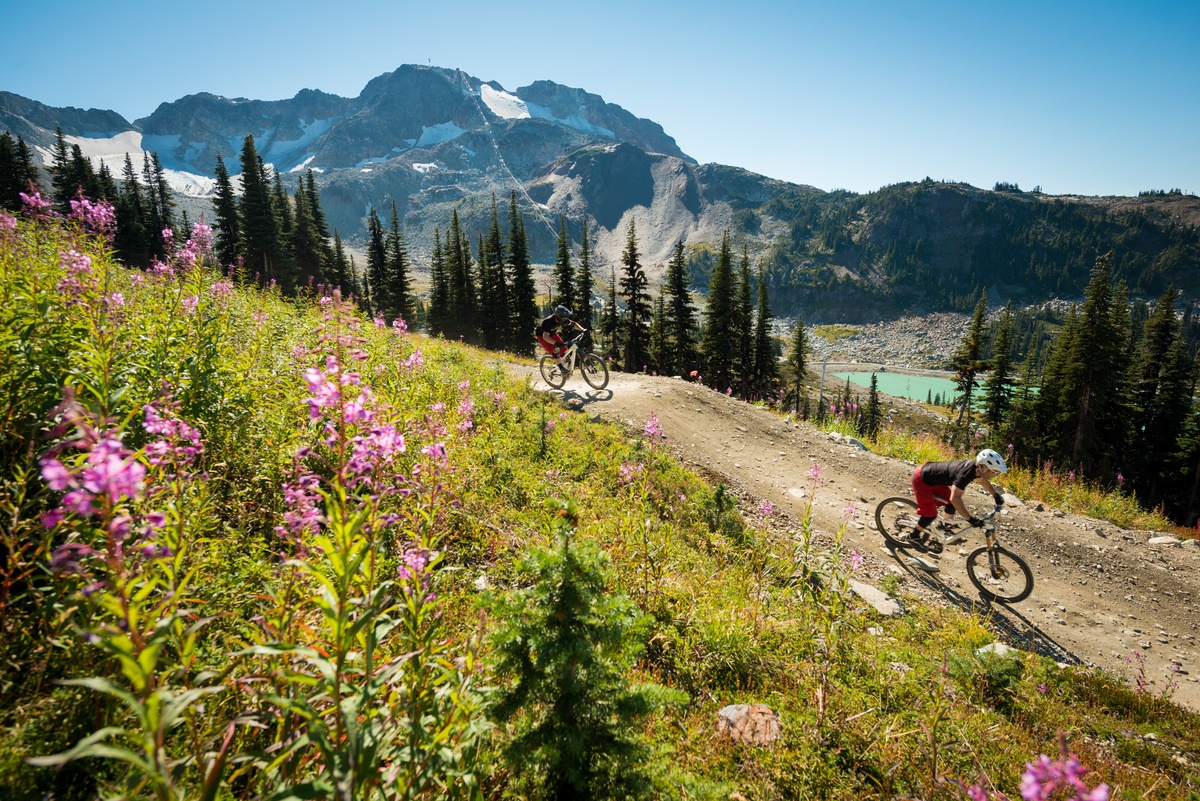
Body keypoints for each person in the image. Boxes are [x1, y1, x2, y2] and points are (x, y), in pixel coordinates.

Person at [904, 448, 1007, 545]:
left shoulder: (976, 469)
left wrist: (995, 495)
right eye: (994, 471)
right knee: (930, 514)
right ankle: (913, 536)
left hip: (934, 479)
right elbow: (955, 498)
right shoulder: (964, 475)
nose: (995, 474)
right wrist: (970, 519)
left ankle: (945, 528)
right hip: (922, 479)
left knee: (951, 504)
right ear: (984, 467)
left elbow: (982, 481)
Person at [535, 305, 585, 375]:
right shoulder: (548, 321)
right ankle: (562, 369)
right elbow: (545, 336)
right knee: (555, 350)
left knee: (565, 350)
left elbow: (573, 324)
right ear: (559, 317)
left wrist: (582, 329)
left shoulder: (562, 319)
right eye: (564, 318)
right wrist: (555, 343)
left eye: (566, 318)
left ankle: (559, 364)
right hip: (542, 336)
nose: (565, 319)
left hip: (552, 334)